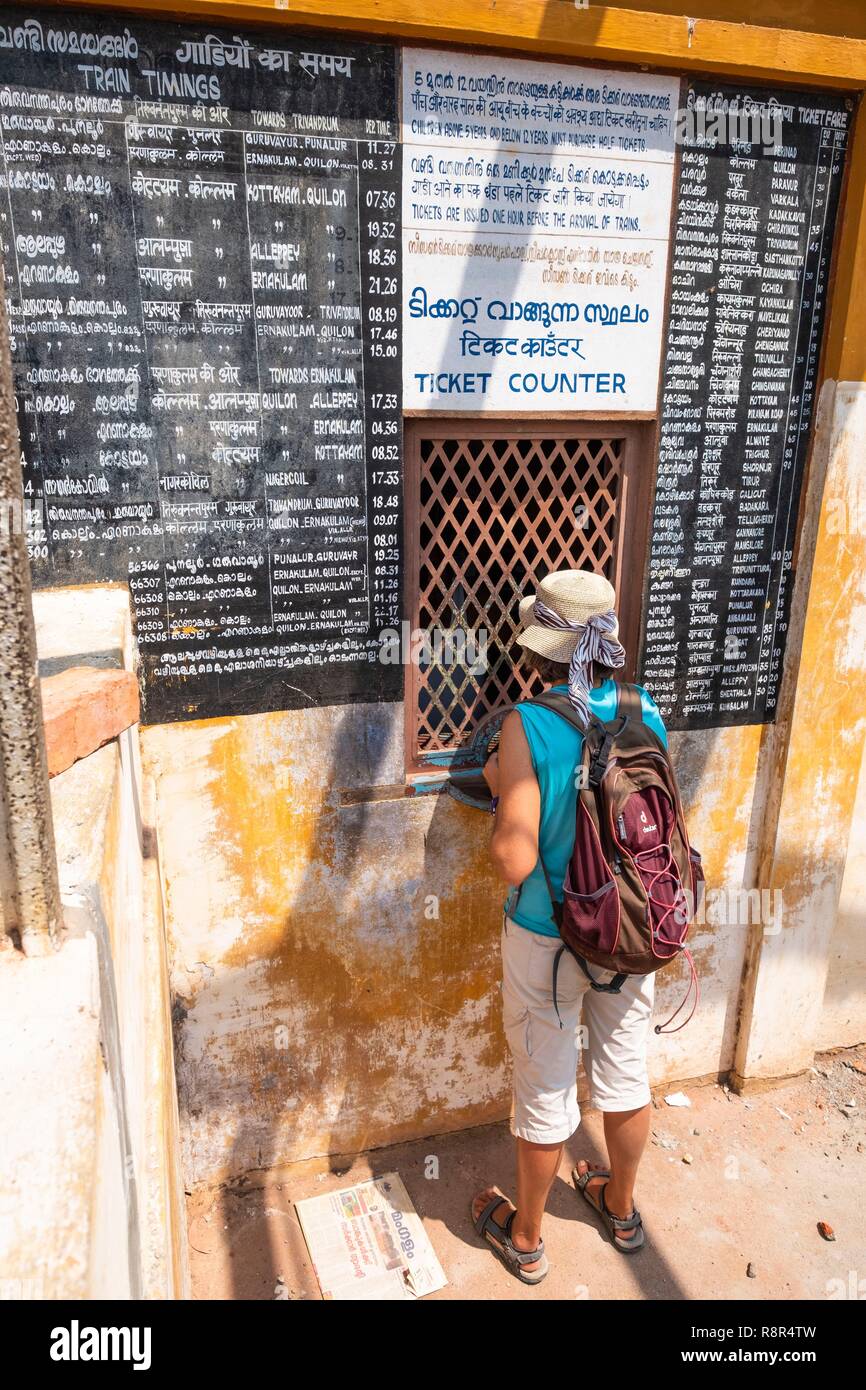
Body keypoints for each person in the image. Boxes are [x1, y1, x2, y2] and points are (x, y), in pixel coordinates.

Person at [471, 568, 668, 1284]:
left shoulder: (528, 725)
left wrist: (502, 789)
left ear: (538, 651)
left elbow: (515, 860)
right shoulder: (646, 709)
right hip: (631, 928)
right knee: (624, 1074)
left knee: (546, 1086)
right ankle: (619, 1207)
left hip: (548, 940)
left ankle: (526, 1237)